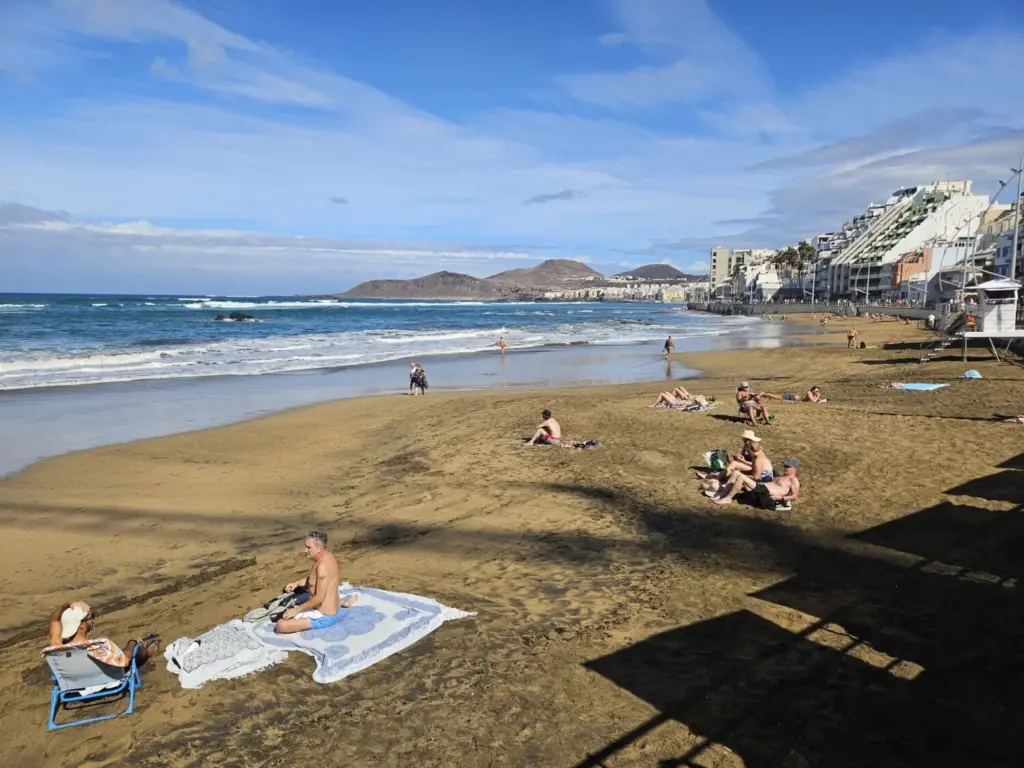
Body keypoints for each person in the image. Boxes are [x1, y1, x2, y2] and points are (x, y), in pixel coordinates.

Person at [275, 530, 357, 634]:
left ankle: (340, 604)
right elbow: (316, 580)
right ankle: (342, 603)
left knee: (281, 625)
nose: (305, 550)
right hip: (330, 609)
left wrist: (296, 610)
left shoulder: (322, 566)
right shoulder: (327, 557)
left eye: (308, 547)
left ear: (319, 548)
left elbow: (319, 598)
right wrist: (297, 583)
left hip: (325, 616)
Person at [44, 601, 160, 668]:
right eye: (91, 617)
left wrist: (68, 604)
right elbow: (123, 661)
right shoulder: (96, 647)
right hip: (101, 682)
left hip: (74, 684)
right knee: (133, 652)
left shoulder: (56, 647)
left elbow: (54, 619)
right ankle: (147, 651)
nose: (93, 619)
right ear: (81, 626)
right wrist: (132, 643)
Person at [713, 458, 800, 508]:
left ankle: (728, 498)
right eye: (785, 466)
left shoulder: (793, 480)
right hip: (760, 490)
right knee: (737, 475)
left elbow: (794, 496)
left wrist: (780, 497)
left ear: (794, 469)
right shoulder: (781, 477)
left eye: (787, 467)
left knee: (741, 477)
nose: (784, 468)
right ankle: (724, 493)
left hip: (766, 495)